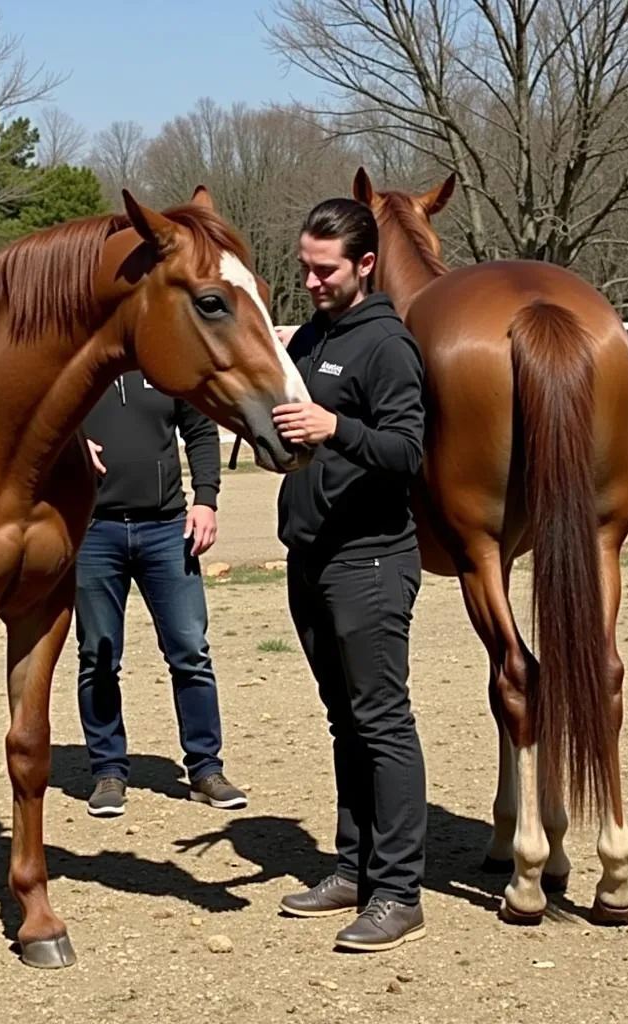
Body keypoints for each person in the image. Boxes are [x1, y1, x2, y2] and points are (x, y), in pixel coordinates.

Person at [272, 197, 428, 952]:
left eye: (323, 268)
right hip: (311, 555)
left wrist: (336, 427)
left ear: (365, 264)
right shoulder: (311, 337)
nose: (309, 280)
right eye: (304, 265)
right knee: (345, 721)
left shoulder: (387, 345)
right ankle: (353, 866)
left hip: (368, 558)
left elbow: (407, 451)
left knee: (383, 722)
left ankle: (398, 890)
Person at [74, 369, 247, 818]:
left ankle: (206, 768)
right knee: (98, 656)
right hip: (94, 532)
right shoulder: (79, 367)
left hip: (167, 529)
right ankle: (108, 771)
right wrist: (69, 442)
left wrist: (206, 499)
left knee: (190, 650)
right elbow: (32, 421)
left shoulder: (165, 366)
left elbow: (201, 432)